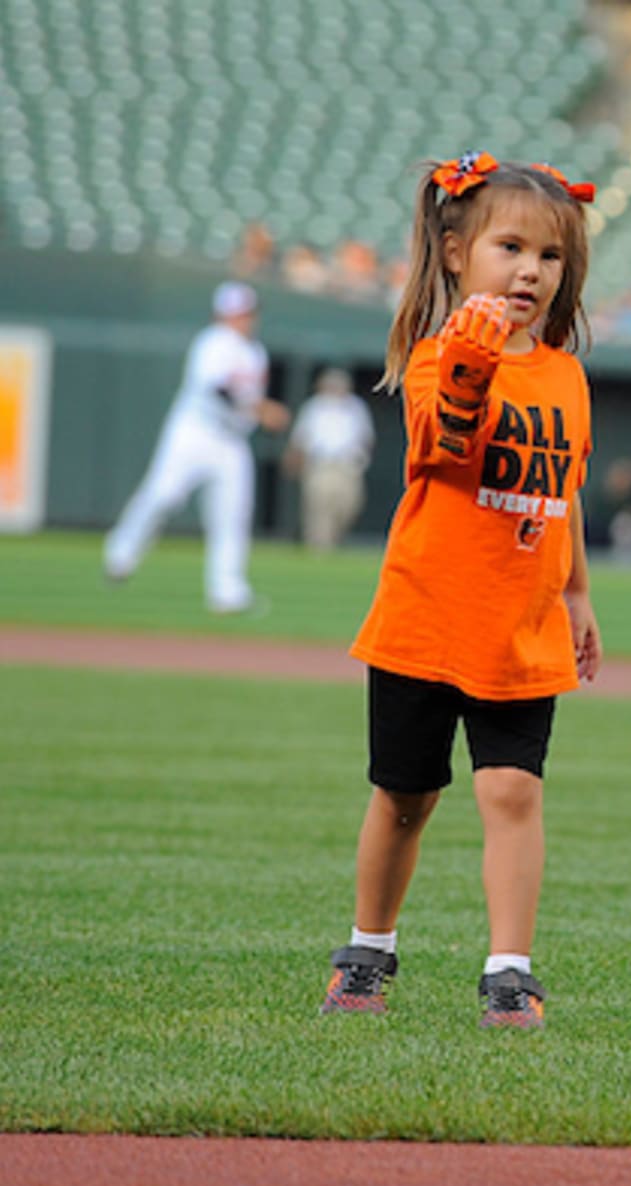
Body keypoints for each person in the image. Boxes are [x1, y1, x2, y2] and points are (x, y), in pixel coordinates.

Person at [321, 151, 603, 1030]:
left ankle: (509, 973)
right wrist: (473, 373)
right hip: (427, 616)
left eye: (550, 256)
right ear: (453, 251)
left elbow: (564, 491)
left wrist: (580, 594)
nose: (531, 270)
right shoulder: (437, 357)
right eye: (510, 247)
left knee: (513, 791)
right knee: (405, 797)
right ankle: (369, 950)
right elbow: (444, 448)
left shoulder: (564, 372)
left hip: (521, 622)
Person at [103, 281, 290, 613]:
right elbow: (218, 389)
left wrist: (256, 410)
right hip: (195, 431)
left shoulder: (254, 352)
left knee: (233, 514)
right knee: (163, 494)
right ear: (222, 314)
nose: (243, 318)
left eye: (247, 312)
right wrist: (262, 411)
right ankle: (120, 553)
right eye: (236, 312)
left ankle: (227, 591)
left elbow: (244, 398)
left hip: (232, 441)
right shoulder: (213, 342)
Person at [284, 367, 376, 552]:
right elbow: (301, 438)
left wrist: (363, 459)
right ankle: (319, 547)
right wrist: (294, 460)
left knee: (348, 505)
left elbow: (367, 437)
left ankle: (333, 539)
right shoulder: (314, 407)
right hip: (321, 463)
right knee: (319, 505)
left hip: (348, 465)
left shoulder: (356, 407)